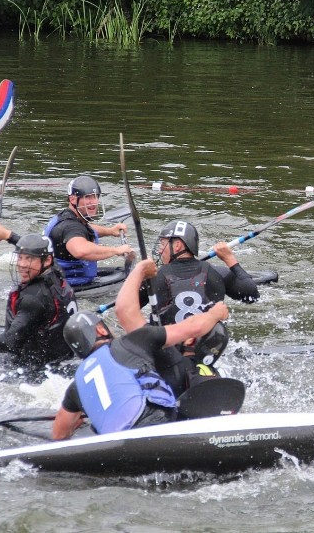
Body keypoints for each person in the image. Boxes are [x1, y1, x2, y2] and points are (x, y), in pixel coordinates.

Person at [51, 259, 229, 440]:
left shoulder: (77, 385)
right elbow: (124, 310)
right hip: (155, 425)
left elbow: (59, 434)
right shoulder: (131, 343)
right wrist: (214, 313)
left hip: (114, 445)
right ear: (100, 329)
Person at [140, 220, 257, 393]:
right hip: (210, 355)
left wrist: (135, 272)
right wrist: (230, 259)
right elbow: (251, 295)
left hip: (168, 361)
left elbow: (126, 310)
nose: (159, 250)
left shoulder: (153, 279)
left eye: (163, 244)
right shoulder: (217, 272)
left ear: (178, 245)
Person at [0, 230, 77, 375]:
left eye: (29, 259)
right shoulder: (57, 273)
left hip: (35, 369)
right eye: (20, 258)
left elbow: (9, 343)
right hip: (63, 358)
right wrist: (9, 236)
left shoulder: (33, 298)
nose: (22, 264)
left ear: (47, 261)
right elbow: (41, 249)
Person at [43, 175, 132, 286]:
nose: (93, 202)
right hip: (69, 287)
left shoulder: (68, 218)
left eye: (95, 197)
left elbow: (86, 230)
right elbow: (81, 250)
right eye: (88, 197)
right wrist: (116, 250)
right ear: (73, 199)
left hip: (65, 279)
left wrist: (110, 231)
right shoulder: (69, 227)